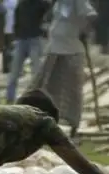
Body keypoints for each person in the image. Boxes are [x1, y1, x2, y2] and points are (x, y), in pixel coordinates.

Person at [32, 0, 96, 139]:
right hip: (54, 49)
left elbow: (90, 15)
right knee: (47, 87)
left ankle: (74, 125)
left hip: (71, 51)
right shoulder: (59, 2)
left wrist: (84, 31)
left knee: (73, 90)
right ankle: (44, 121)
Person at [6, 0, 51, 103]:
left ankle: (38, 99)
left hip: (35, 39)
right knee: (14, 73)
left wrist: (44, 29)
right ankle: (10, 99)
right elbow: (16, 22)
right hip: (21, 39)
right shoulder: (21, 5)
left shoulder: (41, 4)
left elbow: (49, 14)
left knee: (36, 73)